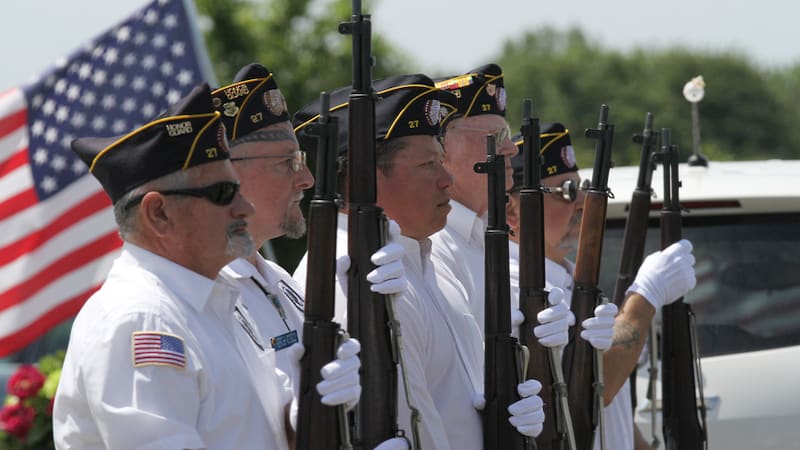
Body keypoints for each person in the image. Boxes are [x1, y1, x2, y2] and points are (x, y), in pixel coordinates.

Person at [52, 84, 360, 450]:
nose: (244, 207)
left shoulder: (213, 302)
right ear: (159, 213)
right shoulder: (142, 319)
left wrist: (308, 418)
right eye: (222, 194)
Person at [292, 73, 557, 449]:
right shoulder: (341, 277)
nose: (446, 179)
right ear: (368, 177)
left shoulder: (425, 262)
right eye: (428, 165)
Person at [505, 124, 697, 450]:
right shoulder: (515, 287)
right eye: (566, 191)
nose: (581, 202)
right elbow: (597, 385)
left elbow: (609, 411)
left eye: (582, 188)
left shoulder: (569, 280)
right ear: (512, 210)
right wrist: (645, 296)